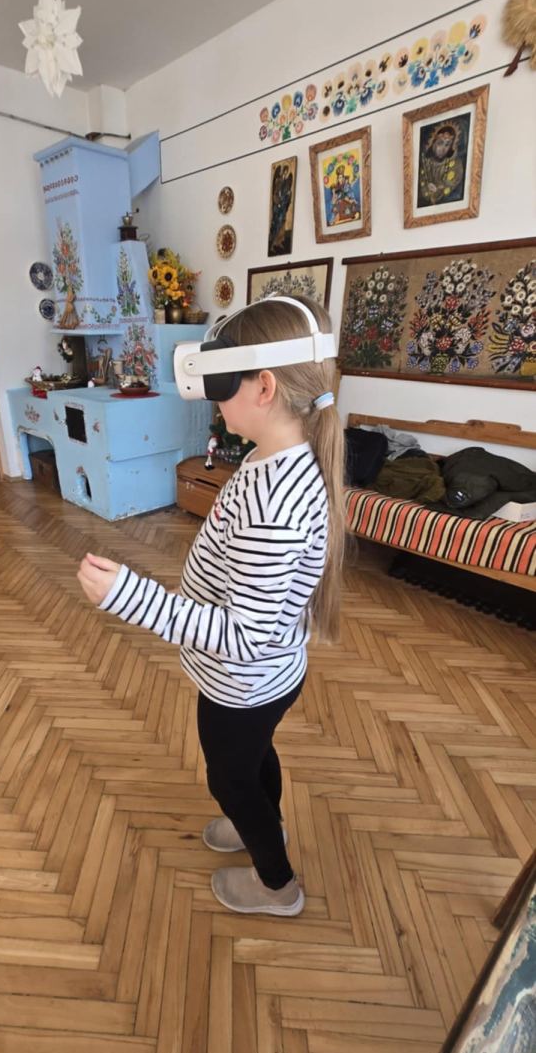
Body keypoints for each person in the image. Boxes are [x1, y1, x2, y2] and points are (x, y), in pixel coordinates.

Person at [77, 297, 345, 917]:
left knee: (229, 778)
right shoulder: (271, 456)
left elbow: (244, 635)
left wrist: (129, 596)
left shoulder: (275, 503)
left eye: (223, 383)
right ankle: (265, 825)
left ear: (264, 387)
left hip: (244, 680)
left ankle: (277, 885)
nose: (212, 399)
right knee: (253, 760)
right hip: (267, 676)